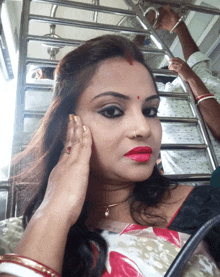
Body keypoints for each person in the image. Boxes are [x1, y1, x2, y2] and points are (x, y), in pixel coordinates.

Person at [0, 35, 220, 277]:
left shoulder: (208, 209)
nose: (143, 128)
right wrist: (54, 212)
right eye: (112, 110)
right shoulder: (14, 235)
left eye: (150, 111)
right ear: (66, 128)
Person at [139, 5, 220, 177]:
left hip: (196, 183)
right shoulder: (163, 94)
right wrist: (178, 27)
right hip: (194, 186)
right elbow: (194, 58)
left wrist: (144, 30)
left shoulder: (195, 78)